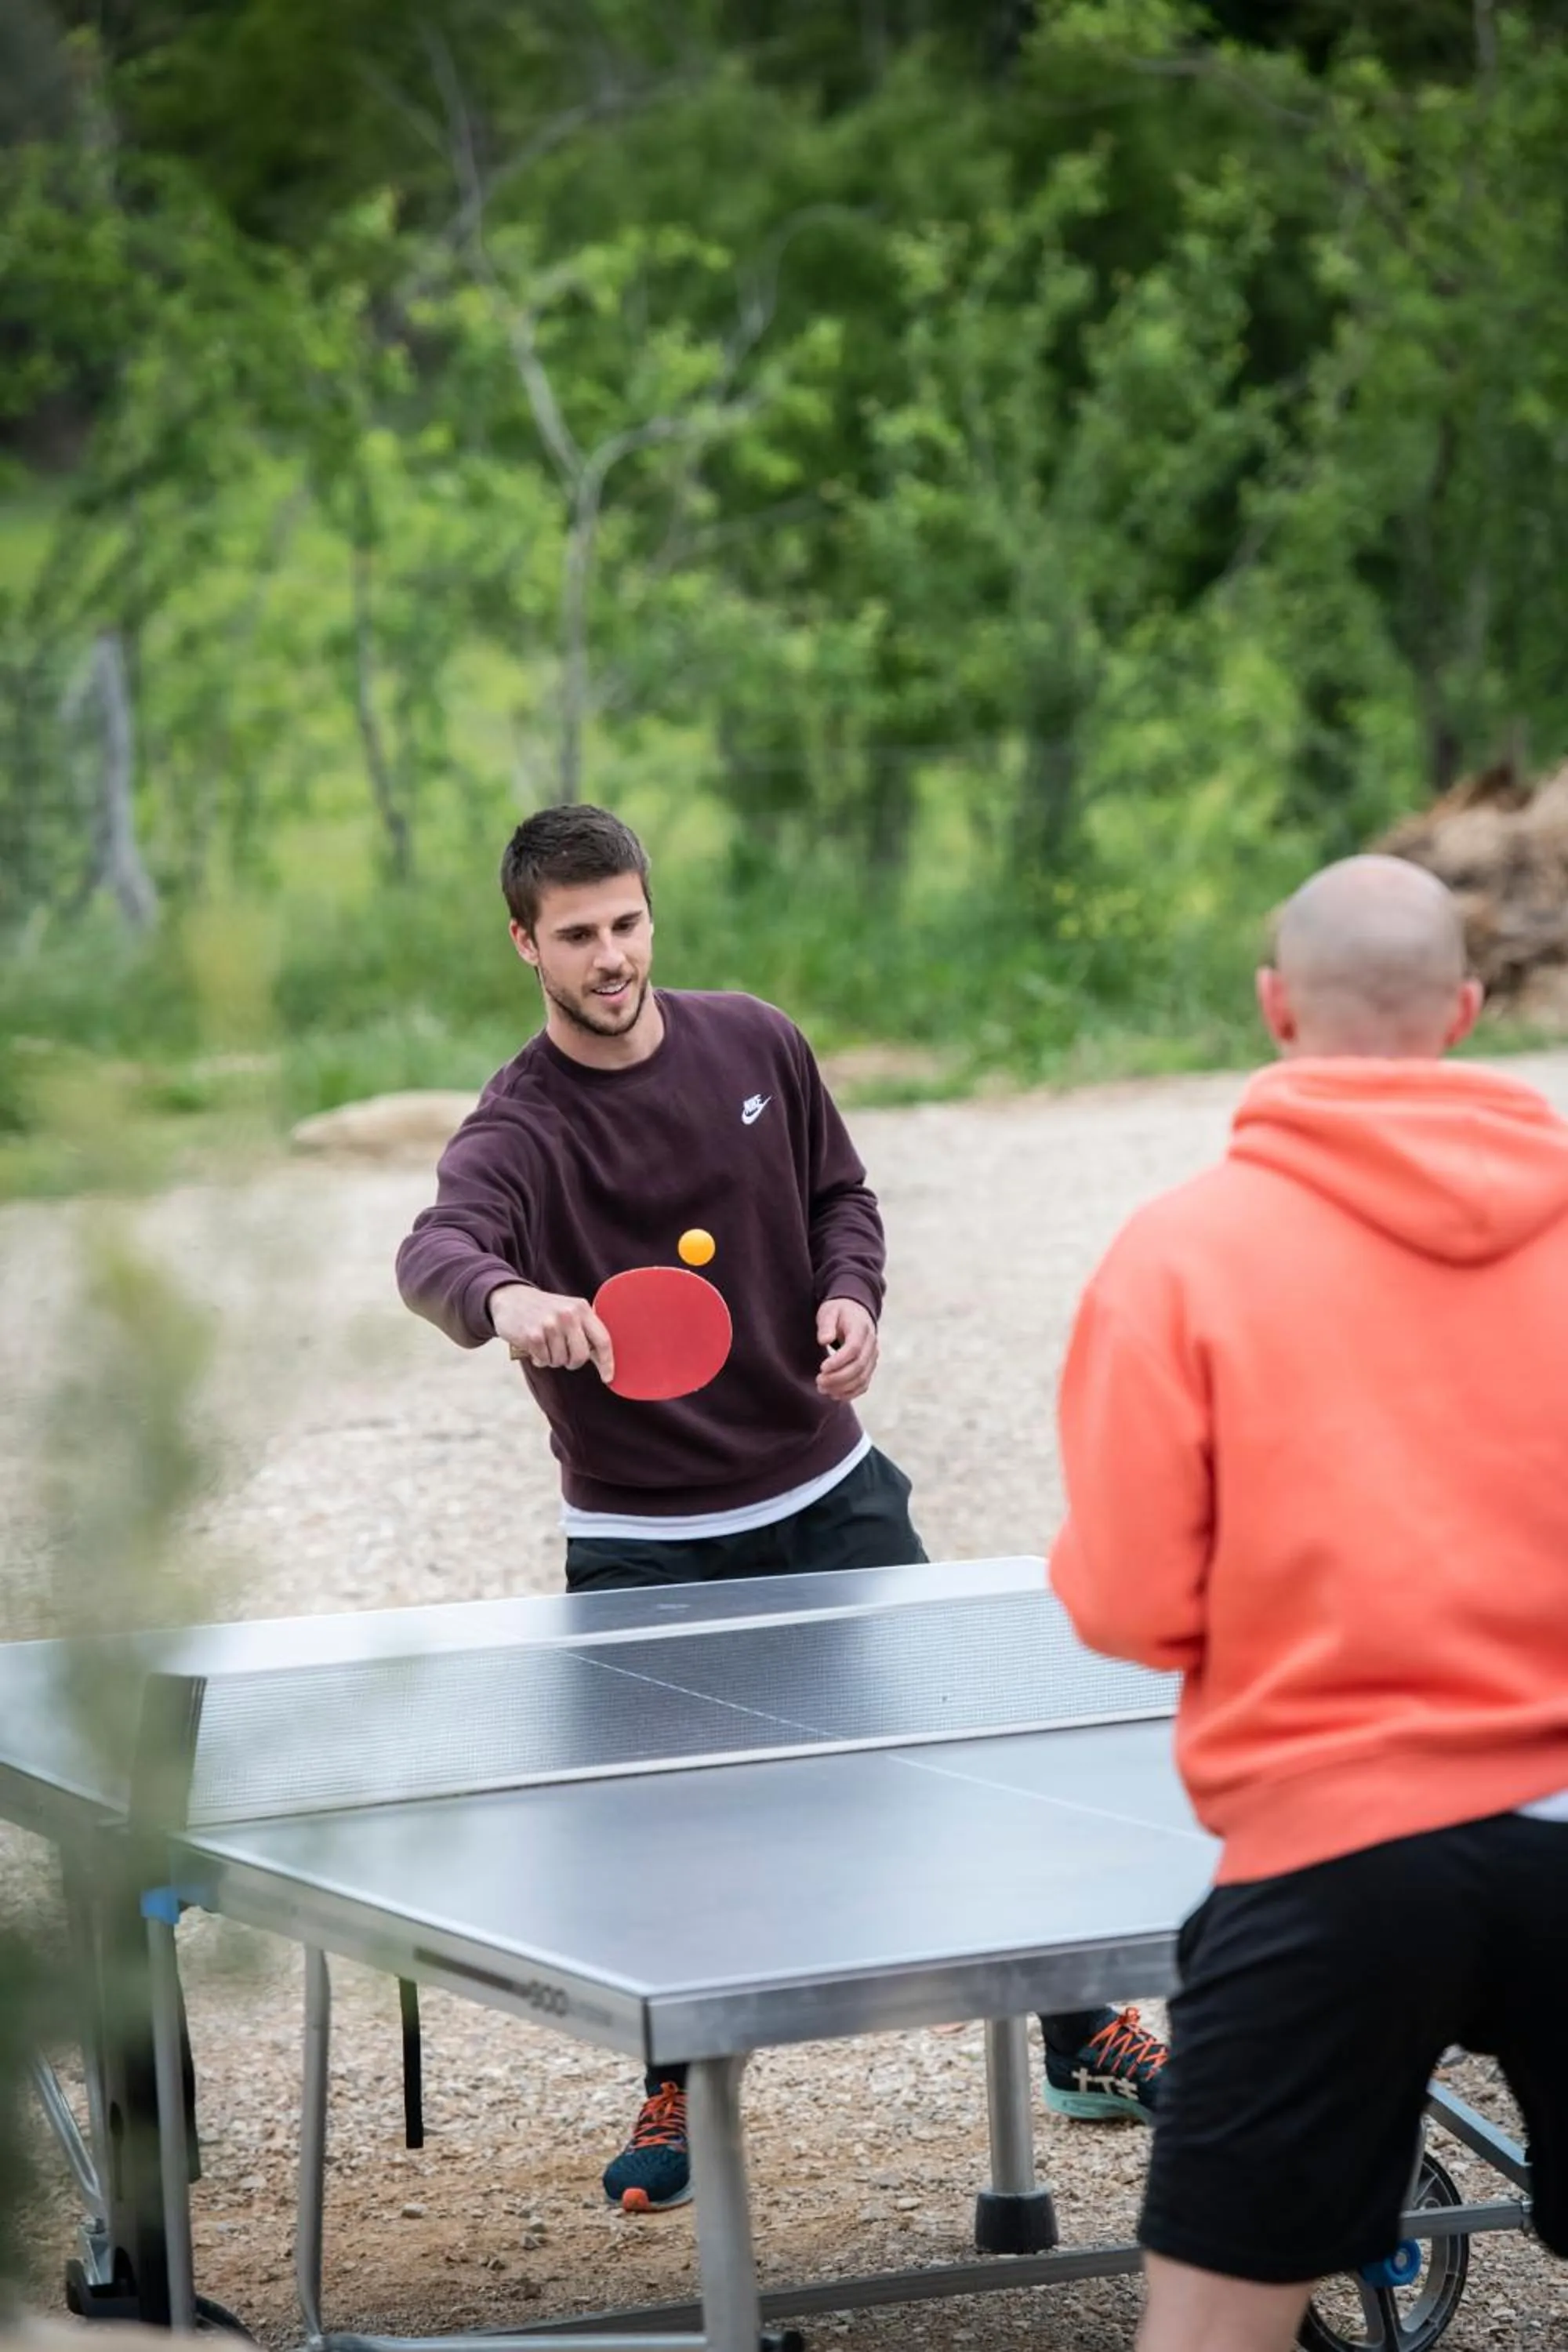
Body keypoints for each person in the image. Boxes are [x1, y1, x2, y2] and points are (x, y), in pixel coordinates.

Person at [396, 802, 1165, 2213]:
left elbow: (841, 1195)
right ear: (525, 944)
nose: (612, 955)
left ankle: (1084, 2031)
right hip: (642, 1540)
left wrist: (848, 1296)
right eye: (578, 936)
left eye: (627, 922)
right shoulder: (518, 1128)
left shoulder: (757, 1040)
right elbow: (436, 1248)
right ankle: (676, 2081)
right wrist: (506, 1297)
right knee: (677, 1834)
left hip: (829, 1489)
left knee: (983, 1748)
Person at [1049, 854, 1568, 2352]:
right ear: (1467, 1011)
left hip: (1338, 1856)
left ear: (1275, 1009)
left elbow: (1135, 1605)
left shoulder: (1180, 1256)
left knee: (1212, 2328)